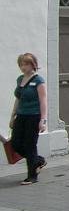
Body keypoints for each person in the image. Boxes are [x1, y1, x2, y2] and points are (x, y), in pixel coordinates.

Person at [9, 53, 47, 185]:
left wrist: (43, 120)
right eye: (21, 64)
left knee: (30, 145)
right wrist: (13, 116)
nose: (23, 67)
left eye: (26, 64)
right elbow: (18, 98)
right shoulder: (20, 79)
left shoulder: (39, 80)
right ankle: (38, 161)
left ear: (33, 64)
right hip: (21, 116)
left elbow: (43, 101)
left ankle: (32, 176)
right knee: (15, 144)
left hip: (33, 116)